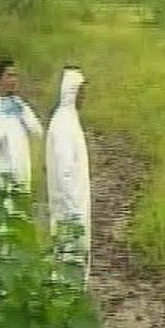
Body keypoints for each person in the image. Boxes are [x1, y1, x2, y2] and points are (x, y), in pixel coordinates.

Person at [45, 66, 92, 287]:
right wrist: (73, 209)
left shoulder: (69, 120)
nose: (84, 97)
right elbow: (64, 171)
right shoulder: (63, 125)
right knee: (69, 255)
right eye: (81, 91)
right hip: (69, 206)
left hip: (74, 201)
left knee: (73, 256)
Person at [0, 57, 44, 200]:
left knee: (20, 215)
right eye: (9, 76)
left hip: (20, 170)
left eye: (15, 76)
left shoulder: (19, 104)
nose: (14, 80)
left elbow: (37, 130)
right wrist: (4, 119)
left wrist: (22, 112)